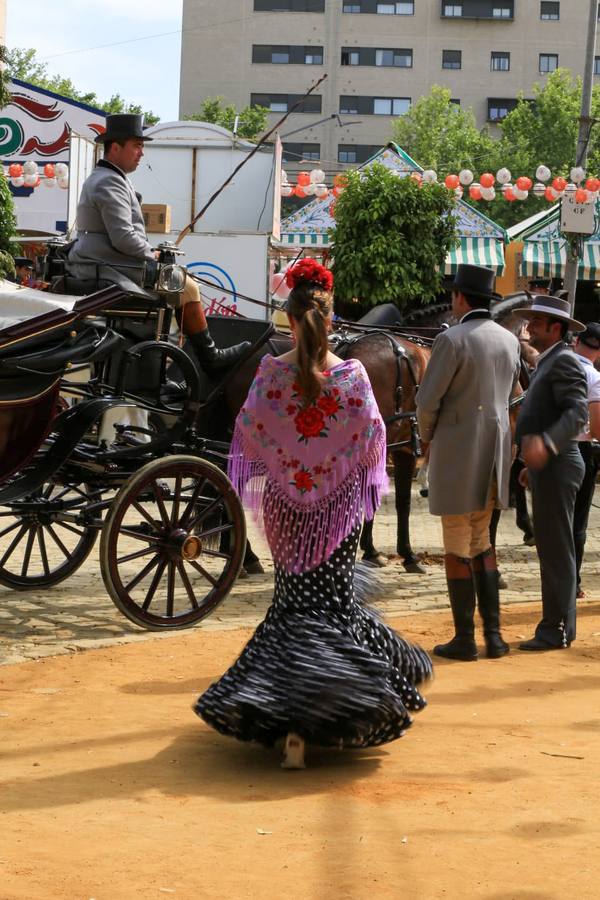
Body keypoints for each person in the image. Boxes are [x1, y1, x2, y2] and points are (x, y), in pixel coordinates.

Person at [194, 259, 432, 768]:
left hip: (285, 512)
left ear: (289, 320)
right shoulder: (353, 377)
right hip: (338, 512)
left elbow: (251, 433)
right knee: (334, 606)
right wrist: (341, 478)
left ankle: (290, 723)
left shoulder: (269, 374)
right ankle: (318, 716)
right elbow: (373, 440)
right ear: (330, 318)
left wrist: (287, 472)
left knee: (291, 606)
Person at [67, 113, 249, 371]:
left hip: (106, 261)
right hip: (109, 265)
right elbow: (123, 238)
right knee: (188, 288)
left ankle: (175, 361)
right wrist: (151, 254)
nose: (141, 153)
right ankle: (210, 358)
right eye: (137, 145)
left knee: (180, 282)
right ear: (115, 147)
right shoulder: (109, 181)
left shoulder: (109, 178)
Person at [416, 264, 521, 661]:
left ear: (460, 297)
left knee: (456, 542)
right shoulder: (508, 340)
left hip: (458, 449)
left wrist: (426, 438)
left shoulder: (452, 340)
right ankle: (493, 636)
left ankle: (464, 638)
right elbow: (511, 395)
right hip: (495, 453)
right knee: (482, 539)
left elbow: (427, 402)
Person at [513, 294, 588, 651]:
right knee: (554, 548)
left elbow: (577, 414)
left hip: (558, 463)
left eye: (537, 323)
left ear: (555, 328)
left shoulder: (563, 362)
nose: (529, 328)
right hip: (550, 465)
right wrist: (534, 463)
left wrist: (547, 445)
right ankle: (559, 626)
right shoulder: (551, 361)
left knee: (556, 550)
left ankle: (555, 628)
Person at [571, 323, 600, 598]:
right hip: (580, 449)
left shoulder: (554, 366)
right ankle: (574, 582)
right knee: (578, 523)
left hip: (548, 448)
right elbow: (598, 427)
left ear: (576, 340)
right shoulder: (593, 376)